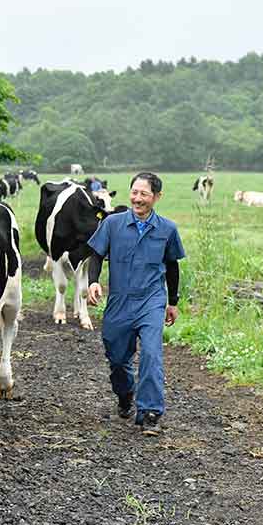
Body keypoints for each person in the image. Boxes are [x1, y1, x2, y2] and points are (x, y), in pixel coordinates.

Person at [86, 172, 185, 435]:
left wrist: (172, 302)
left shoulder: (167, 229)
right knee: (117, 358)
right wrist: (93, 282)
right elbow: (96, 255)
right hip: (120, 300)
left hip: (152, 300)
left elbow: (172, 267)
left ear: (156, 197)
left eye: (144, 194)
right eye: (134, 192)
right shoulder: (112, 224)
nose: (137, 198)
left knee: (152, 353)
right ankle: (125, 394)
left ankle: (150, 411)